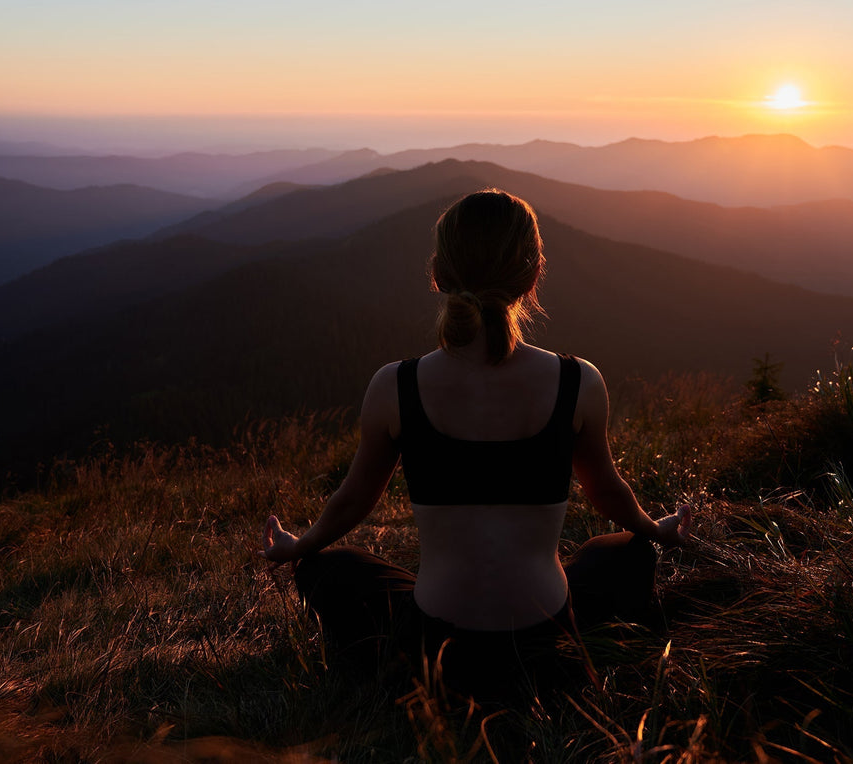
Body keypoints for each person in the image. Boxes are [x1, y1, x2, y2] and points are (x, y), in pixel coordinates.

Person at [260, 189, 690, 699]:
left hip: (437, 647)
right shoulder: (580, 382)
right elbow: (607, 491)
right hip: (546, 640)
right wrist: (653, 530)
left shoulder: (395, 386)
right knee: (624, 552)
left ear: (439, 274)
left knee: (329, 569)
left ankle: (382, 666)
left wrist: (298, 546)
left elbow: (354, 500)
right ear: (532, 279)